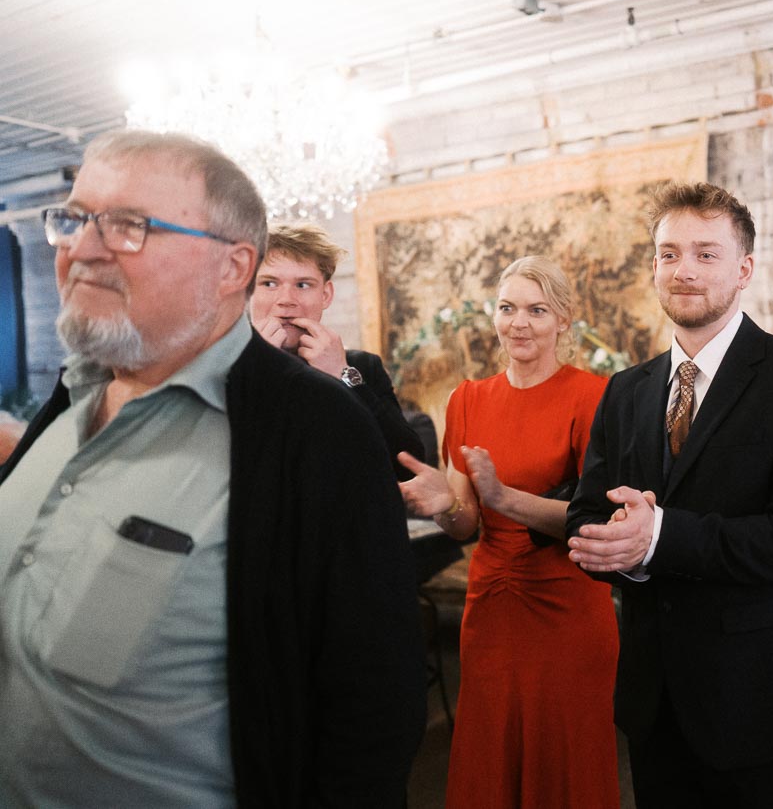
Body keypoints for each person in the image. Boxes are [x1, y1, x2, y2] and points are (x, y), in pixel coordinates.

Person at [0, 130, 425, 807]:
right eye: (75, 219)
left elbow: (368, 716)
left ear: (232, 269)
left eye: (130, 227)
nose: (81, 250)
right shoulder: (70, 393)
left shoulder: (314, 430)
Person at [564, 183, 773, 809]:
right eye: (668, 254)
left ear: (744, 269)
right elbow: (588, 513)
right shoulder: (626, 390)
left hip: (761, 700)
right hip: (655, 702)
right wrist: (622, 550)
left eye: (705, 253)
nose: (683, 270)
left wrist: (659, 536)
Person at [399, 256, 620, 809]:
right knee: (489, 757)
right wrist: (442, 505)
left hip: (568, 606)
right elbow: (467, 522)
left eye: (536, 310)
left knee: (565, 761)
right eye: (507, 308)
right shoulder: (466, 399)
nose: (518, 323)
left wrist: (504, 499)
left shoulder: (594, 397)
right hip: (492, 604)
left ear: (564, 321)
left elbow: (592, 519)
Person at [250, 220, 424, 476]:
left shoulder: (362, 367)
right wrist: (259, 372)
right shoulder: (217, 368)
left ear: (326, 295)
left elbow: (409, 465)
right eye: (269, 283)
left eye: (303, 285)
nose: (286, 300)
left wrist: (342, 375)